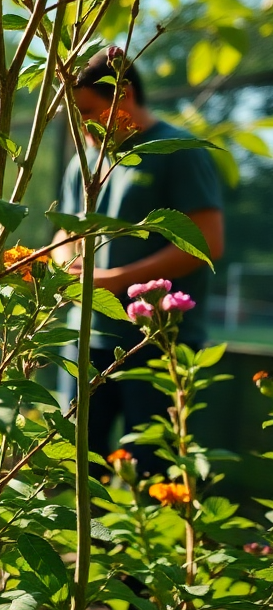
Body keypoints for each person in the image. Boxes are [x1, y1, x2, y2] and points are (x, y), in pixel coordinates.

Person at [54, 47, 225, 477]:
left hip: (156, 343)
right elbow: (66, 232)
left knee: (155, 471)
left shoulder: (178, 151)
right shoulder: (84, 161)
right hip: (84, 337)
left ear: (122, 94)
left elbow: (206, 241)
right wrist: (63, 265)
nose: (82, 127)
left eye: (89, 112)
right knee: (75, 464)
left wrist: (116, 282)